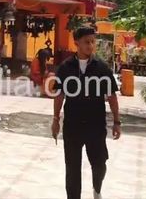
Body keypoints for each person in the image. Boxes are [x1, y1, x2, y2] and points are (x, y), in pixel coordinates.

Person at [51, 26, 121, 199]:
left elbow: (112, 96)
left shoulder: (102, 68)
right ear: (77, 43)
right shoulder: (66, 67)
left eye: (92, 42)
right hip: (72, 126)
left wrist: (117, 122)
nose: (90, 46)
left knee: (99, 164)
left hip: (95, 126)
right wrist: (55, 119)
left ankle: (97, 190)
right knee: (72, 169)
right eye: (86, 42)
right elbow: (59, 95)